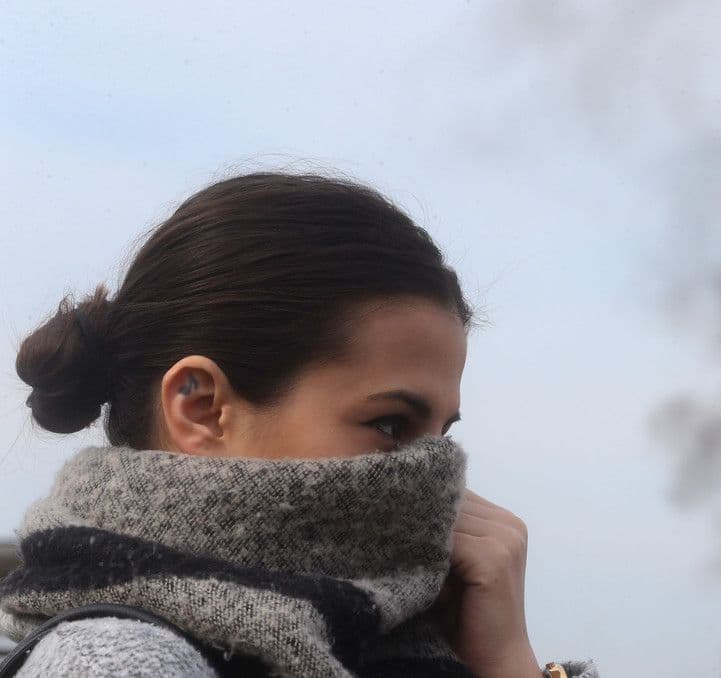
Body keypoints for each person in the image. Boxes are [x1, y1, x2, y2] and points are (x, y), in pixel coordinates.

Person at [0, 172, 597, 678]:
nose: (437, 480)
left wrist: (506, 658)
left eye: (442, 436)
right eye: (391, 425)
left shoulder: (390, 639)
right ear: (200, 407)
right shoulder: (120, 662)